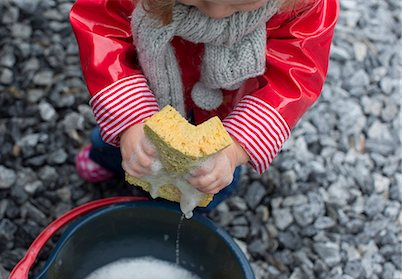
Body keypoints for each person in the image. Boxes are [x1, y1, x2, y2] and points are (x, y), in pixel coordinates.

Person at [69, 0, 339, 211]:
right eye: (194, 1)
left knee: (211, 174)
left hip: (230, 111)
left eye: (241, 4)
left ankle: (190, 204)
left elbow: (294, 75)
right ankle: (105, 158)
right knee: (126, 143)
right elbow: (101, 26)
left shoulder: (302, 6)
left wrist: (235, 149)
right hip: (147, 91)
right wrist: (130, 119)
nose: (218, 13)